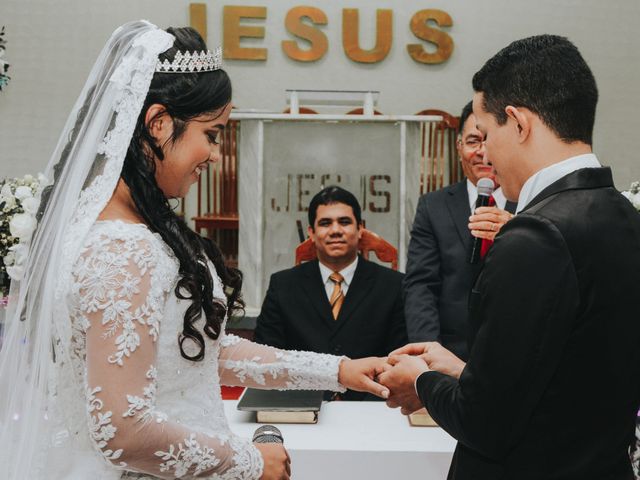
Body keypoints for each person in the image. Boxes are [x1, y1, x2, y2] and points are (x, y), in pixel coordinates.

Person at [0, 22, 389, 480]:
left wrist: (339, 371)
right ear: (159, 124)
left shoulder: (134, 231)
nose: (215, 154)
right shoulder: (122, 249)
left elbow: (200, 351)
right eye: (212, 134)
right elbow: (122, 433)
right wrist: (249, 462)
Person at [380, 34, 640, 479]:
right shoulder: (623, 215)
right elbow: (567, 381)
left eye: (486, 134)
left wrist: (420, 379)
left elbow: (484, 421)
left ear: (518, 124)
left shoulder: (534, 237)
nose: (485, 155)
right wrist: (465, 371)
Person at [254, 186, 407, 400]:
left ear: (360, 228)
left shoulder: (394, 285)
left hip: (371, 409)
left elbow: (398, 361)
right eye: (325, 223)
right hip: (301, 407)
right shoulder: (283, 285)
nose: (335, 230)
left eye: (344, 222)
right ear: (312, 233)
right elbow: (266, 356)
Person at [404, 101, 515, 360]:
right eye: (473, 141)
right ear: (459, 146)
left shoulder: (530, 202)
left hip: (515, 349)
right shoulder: (433, 206)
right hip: (450, 351)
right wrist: (429, 351)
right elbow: (421, 285)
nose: (482, 152)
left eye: (489, 140)